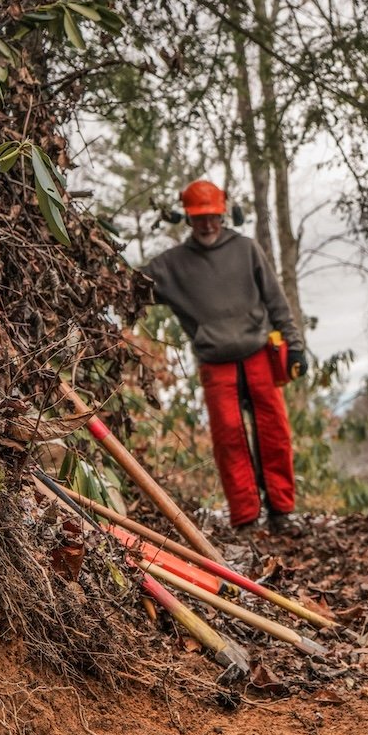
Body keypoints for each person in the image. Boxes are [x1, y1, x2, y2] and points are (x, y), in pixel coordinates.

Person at [143, 179, 307, 533]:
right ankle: (246, 517)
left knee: (274, 432)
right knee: (229, 437)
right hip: (216, 362)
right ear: (186, 217)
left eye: (213, 216)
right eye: (199, 217)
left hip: (259, 353)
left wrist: (293, 345)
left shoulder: (247, 249)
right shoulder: (171, 266)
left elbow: (277, 302)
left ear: (225, 213)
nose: (207, 224)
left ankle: (282, 512)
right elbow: (126, 286)